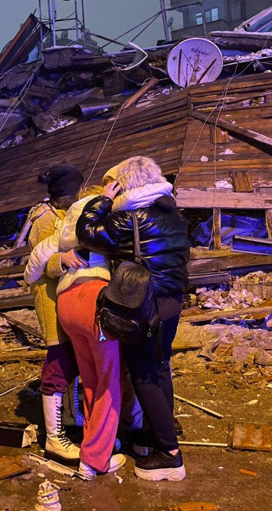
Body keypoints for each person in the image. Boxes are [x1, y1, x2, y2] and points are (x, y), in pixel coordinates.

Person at [76, 156, 189, 482]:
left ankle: (169, 455)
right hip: (171, 302)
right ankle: (159, 434)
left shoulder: (130, 218)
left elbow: (87, 234)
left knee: (144, 375)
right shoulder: (174, 214)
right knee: (160, 368)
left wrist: (103, 201)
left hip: (144, 306)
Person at [25, 186, 130, 476]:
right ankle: (94, 460)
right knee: (108, 382)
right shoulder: (95, 216)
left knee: (91, 381)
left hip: (67, 303)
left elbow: (33, 265)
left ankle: (94, 442)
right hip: (93, 298)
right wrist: (107, 202)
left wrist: (59, 259)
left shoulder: (64, 223)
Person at [26, 164, 85, 463]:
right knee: (58, 361)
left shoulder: (64, 212)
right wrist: (64, 259)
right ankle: (54, 437)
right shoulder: (44, 218)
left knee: (72, 361)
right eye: (74, 193)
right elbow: (42, 266)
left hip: (69, 298)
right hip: (51, 300)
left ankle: (71, 420)